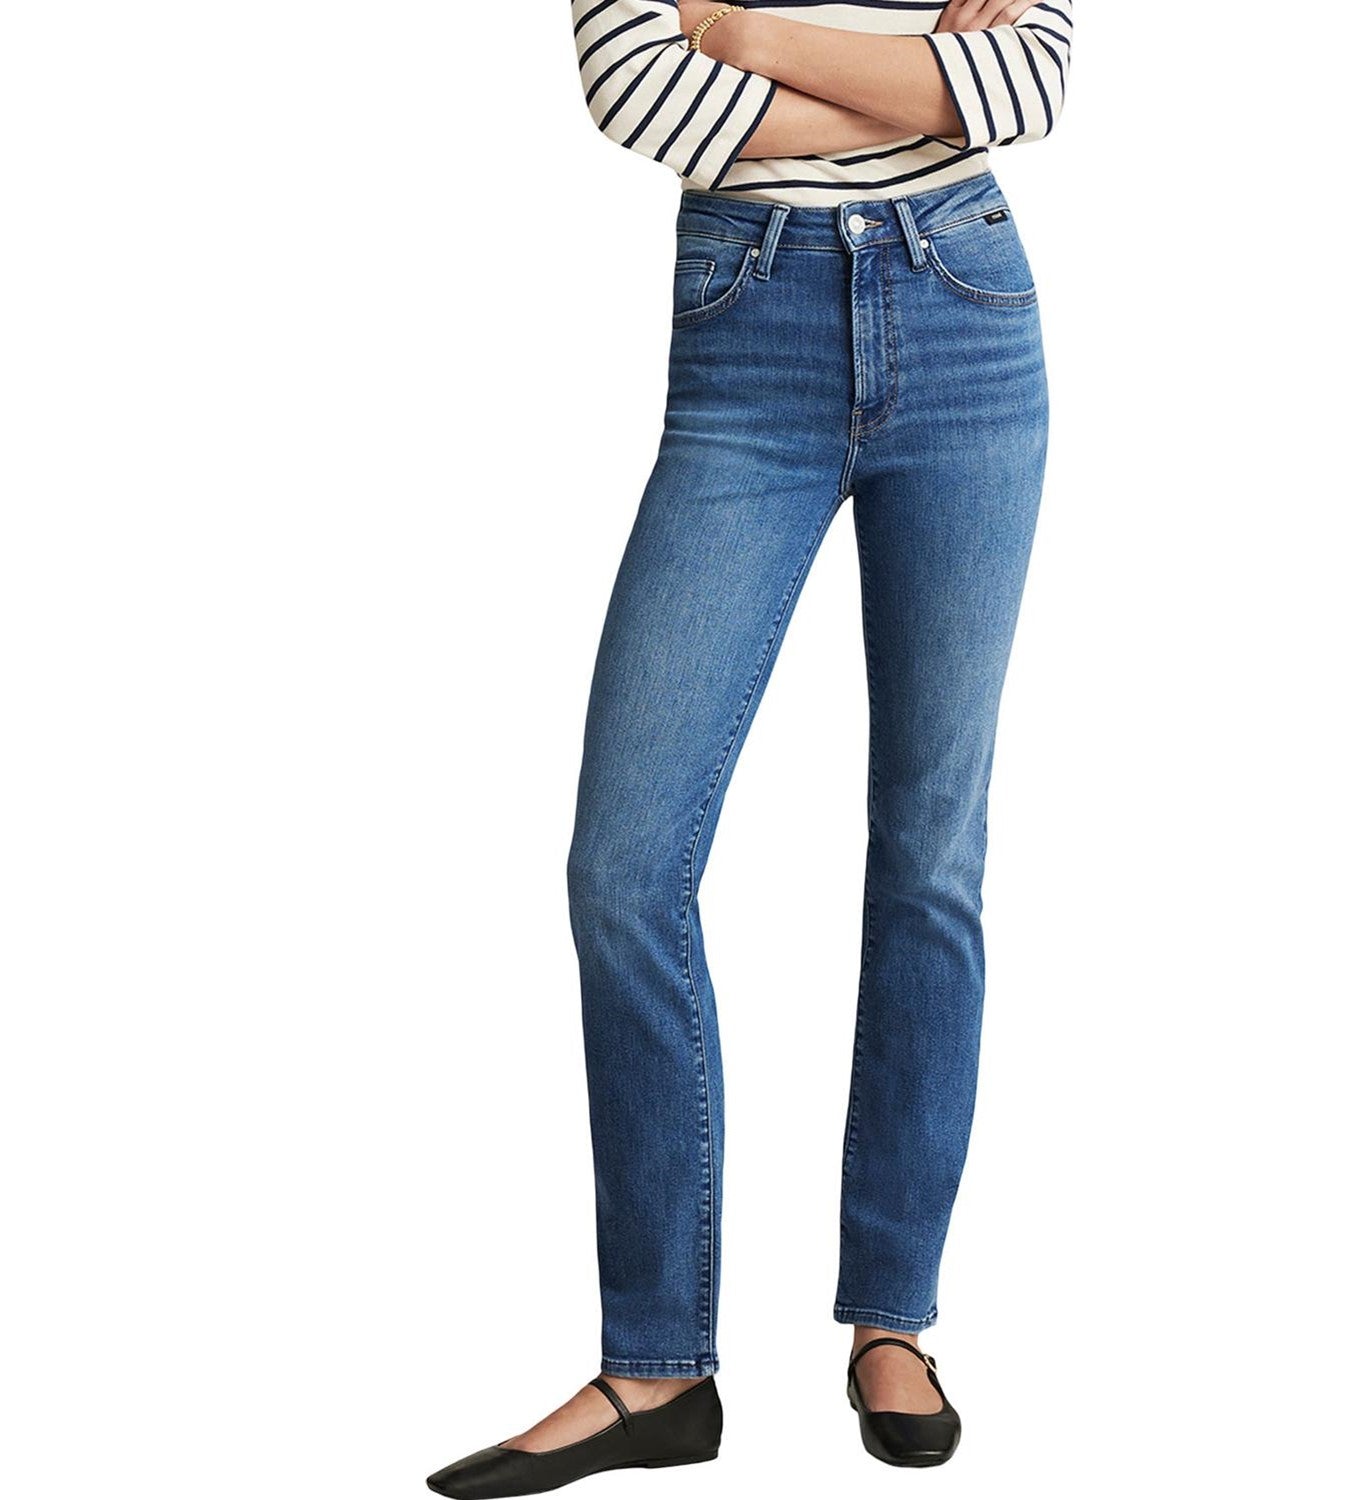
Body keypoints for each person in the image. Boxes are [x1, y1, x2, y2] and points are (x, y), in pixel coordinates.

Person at [428, 1, 1072, 1492]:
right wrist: (919, 92)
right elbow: (635, 90)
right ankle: (658, 1368)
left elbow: (1029, 78)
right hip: (748, 337)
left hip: (967, 314)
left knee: (930, 857)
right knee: (624, 871)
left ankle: (893, 1320)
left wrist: (733, 27)